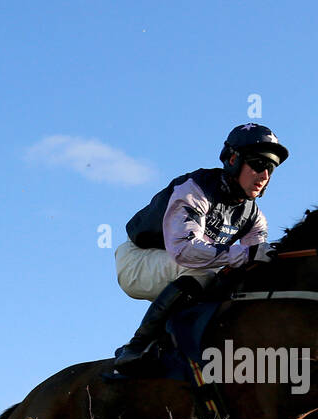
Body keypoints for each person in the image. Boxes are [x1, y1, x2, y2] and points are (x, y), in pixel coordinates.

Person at [111, 122, 289, 374]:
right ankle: (137, 346)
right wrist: (247, 255)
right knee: (203, 272)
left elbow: (253, 263)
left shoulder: (254, 216)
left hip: (178, 266)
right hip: (137, 260)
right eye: (259, 165)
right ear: (233, 159)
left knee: (233, 283)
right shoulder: (195, 189)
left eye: (271, 168)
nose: (265, 176)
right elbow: (185, 250)